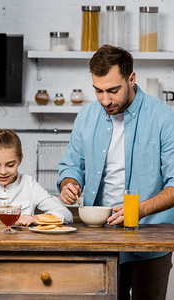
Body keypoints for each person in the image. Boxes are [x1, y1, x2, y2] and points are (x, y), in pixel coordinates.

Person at [58, 44, 174, 300]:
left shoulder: (164, 118)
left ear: (132, 79)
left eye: (113, 90)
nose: (105, 100)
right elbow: (71, 166)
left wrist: (140, 209)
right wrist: (69, 182)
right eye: (98, 91)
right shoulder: (86, 116)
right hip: (99, 239)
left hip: (150, 241)